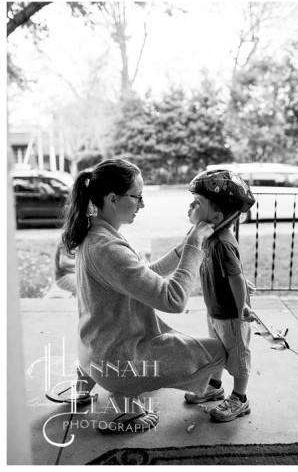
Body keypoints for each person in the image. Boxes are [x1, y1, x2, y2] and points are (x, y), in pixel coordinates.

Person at [59, 158, 225, 434]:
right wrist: (195, 247)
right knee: (218, 351)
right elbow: (173, 300)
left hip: (92, 349)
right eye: (137, 197)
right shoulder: (108, 248)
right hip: (115, 362)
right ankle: (123, 404)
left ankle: (87, 379)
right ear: (113, 199)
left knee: (176, 343)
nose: (142, 204)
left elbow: (141, 276)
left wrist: (183, 247)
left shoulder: (96, 233)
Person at [182, 169, 258, 423]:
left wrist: (243, 307)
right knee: (217, 349)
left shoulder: (223, 243)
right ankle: (215, 386)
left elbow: (235, 276)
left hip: (232, 314)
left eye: (198, 202)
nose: (191, 205)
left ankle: (240, 398)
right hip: (215, 310)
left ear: (215, 216)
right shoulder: (207, 237)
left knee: (237, 356)